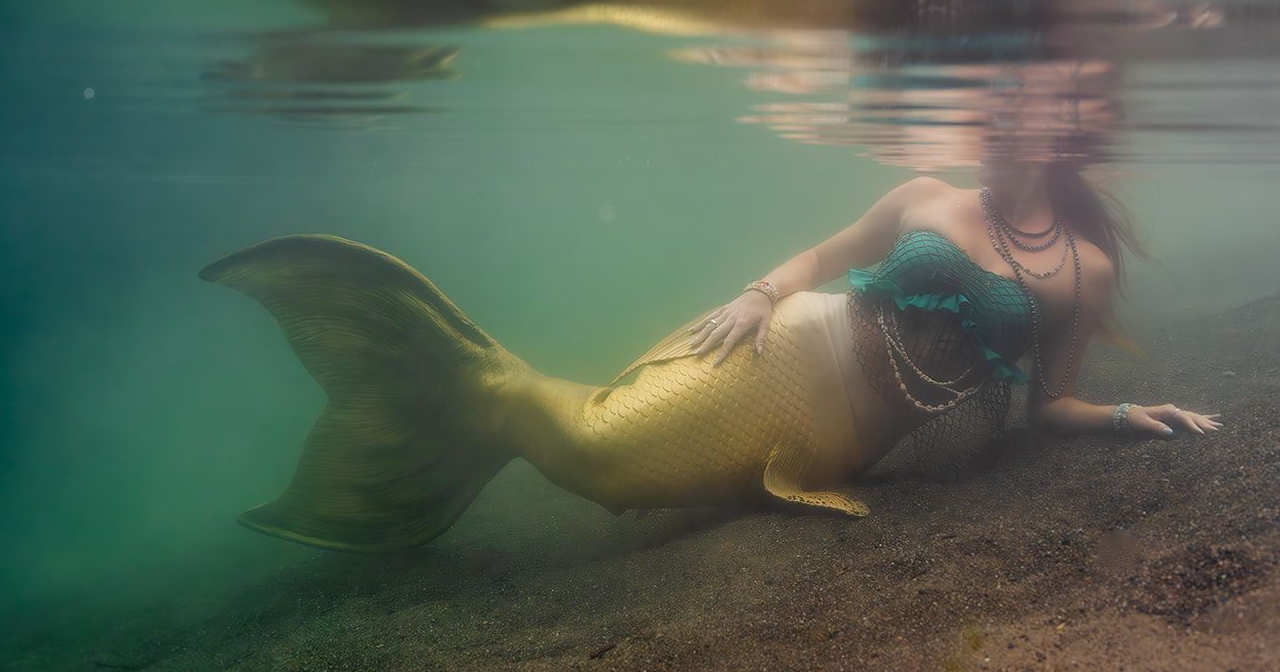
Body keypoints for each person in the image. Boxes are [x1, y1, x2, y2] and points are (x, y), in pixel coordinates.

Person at [201, 159, 1219, 553]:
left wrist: (1128, 417)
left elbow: (1049, 404)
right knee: (601, 452)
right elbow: (823, 259)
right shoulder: (926, 194)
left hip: (840, 449)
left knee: (612, 462)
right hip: (791, 344)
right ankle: (457, 377)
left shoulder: (1084, 268)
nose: (1001, 115)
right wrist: (760, 292)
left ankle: (418, 438)